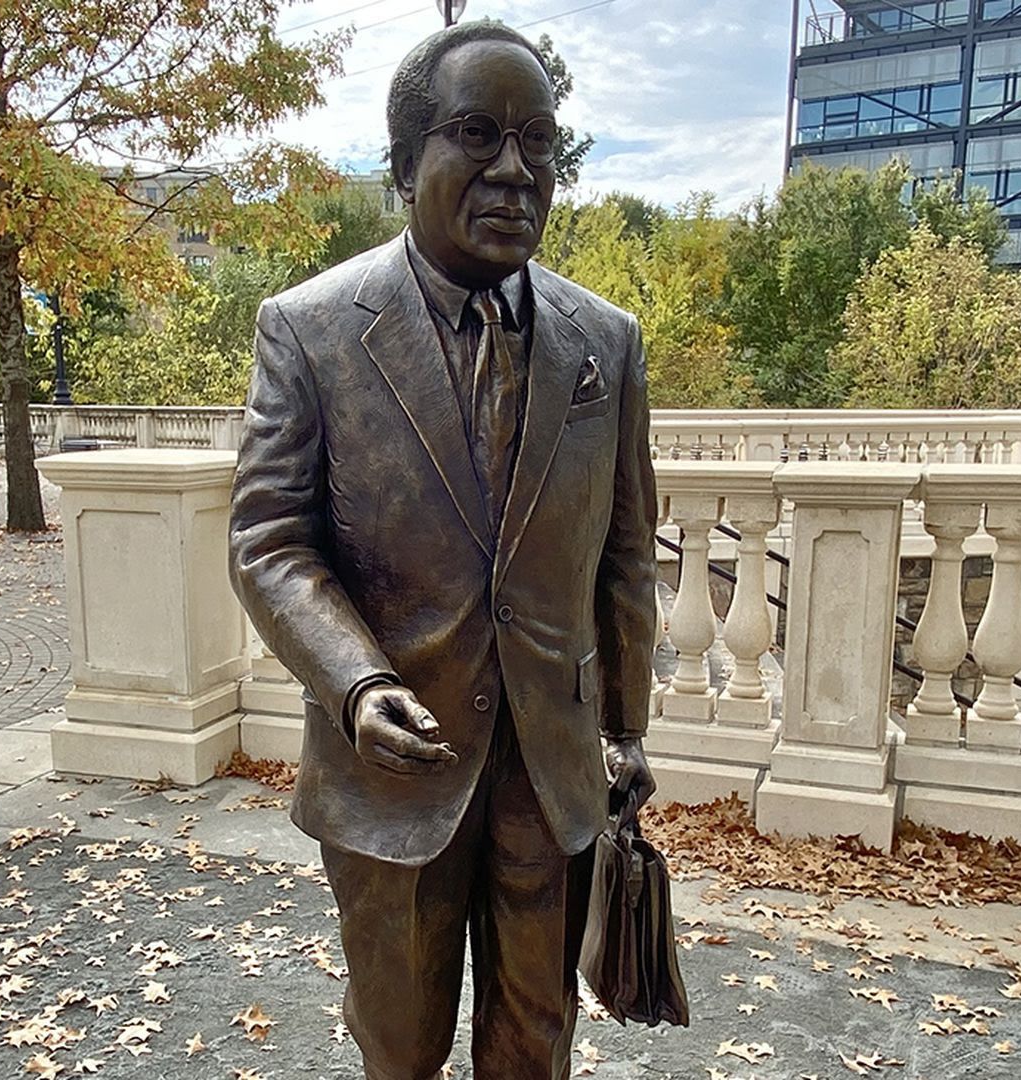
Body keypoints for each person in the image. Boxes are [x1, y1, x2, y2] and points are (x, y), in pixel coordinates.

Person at [227, 19, 658, 1080]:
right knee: (401, 1046)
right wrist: (357, 684)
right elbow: (270, 540)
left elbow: (627, 555)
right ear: (403, 160)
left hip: (551, 772)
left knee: (534, 1044)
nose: (515, 171)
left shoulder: (606, 341)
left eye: (539, 142)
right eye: (476, 134)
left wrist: (626, 731)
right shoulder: (311, 328)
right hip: (393, 769)